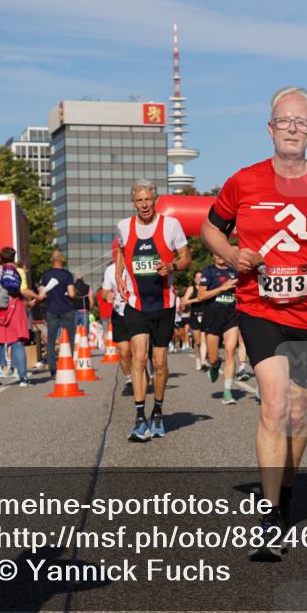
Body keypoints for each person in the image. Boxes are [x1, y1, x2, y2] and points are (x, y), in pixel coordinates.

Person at [201, 86, 307, 561]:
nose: (292, 128)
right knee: (272, 404)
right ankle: (270, 518)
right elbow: (210, 226)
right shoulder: (243, 182)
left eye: (300, 122)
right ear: (270, 129)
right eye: (283, 121)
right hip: (259, 307)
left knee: (296, 412)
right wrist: (230, 254)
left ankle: (286, 495)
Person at [114, 180, 190, 441]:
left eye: (148, 200)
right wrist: (119, 276)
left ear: (155, 200)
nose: (144, 205)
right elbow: (121, 251)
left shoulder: (171, 225)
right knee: (138, 358)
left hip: (164, 304)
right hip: (136, 304)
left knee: (159, 363)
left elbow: (186, 258)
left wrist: (172, 267)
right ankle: (139, 418)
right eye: (139, 201)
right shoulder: (125, 226)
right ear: (133, 202)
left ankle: (157, 411)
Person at [0, 248, 41, 388]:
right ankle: (23, 378)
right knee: (17, 343)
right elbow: (22, 291)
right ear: (14, 257)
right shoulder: (18, 271)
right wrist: (37, 296)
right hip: (14, 309)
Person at [199, 255, 241, 404]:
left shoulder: (235, 271)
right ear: (213, 256)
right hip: (212, 318)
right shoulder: (209, 272)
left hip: (231, 317)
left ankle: (227, 392)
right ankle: (215, 365)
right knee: (213, 358)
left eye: (222, 253)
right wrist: (222, 288)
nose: (220, 256)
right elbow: (200, 296)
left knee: (230, 352)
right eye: (217, 254)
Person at [102, 240, 134, 396]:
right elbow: (103, 291)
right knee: (124, 351)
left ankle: (143, 370)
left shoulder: (136, 265)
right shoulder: (110, 271)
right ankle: (129, 380)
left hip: (137, 311)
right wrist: (107, 295)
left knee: (138, 349)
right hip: (119, 313)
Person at [38, 249, 76, 376]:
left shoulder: (46, 275)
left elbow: (41, 295)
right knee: (69, 339)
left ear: (52, 260)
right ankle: (68, 364)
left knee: (51, 340)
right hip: (67, 309)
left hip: (52, 310)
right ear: (62, 260)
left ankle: (52, 369)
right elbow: (72, 294)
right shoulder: (68, 275)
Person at [183, 271, 208, 371]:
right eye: (197, 277)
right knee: (197, 342)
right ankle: (198, 359)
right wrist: (195, 300)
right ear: (194, 279)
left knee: (204, 339)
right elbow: (184, 301)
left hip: (206, 315)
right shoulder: (191, 289)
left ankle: (203, 361)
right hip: (195, 316)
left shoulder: (207, 287)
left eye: (201, 277)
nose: (199, 279)